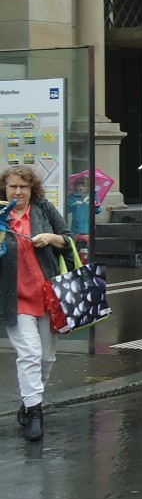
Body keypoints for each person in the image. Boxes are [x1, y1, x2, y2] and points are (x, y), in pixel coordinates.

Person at [0, 165, 72, 442]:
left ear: (32, 189)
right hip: (14, 297)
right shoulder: (0, 215)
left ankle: (29, 401)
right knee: (29, 354)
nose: (18, 192)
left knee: (46, 357)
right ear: (5, 188)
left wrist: (51, 238)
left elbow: (68, 239)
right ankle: (35, 411)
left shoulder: (43, 209)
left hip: (47, 295)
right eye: (13, 186)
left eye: (24, 187)